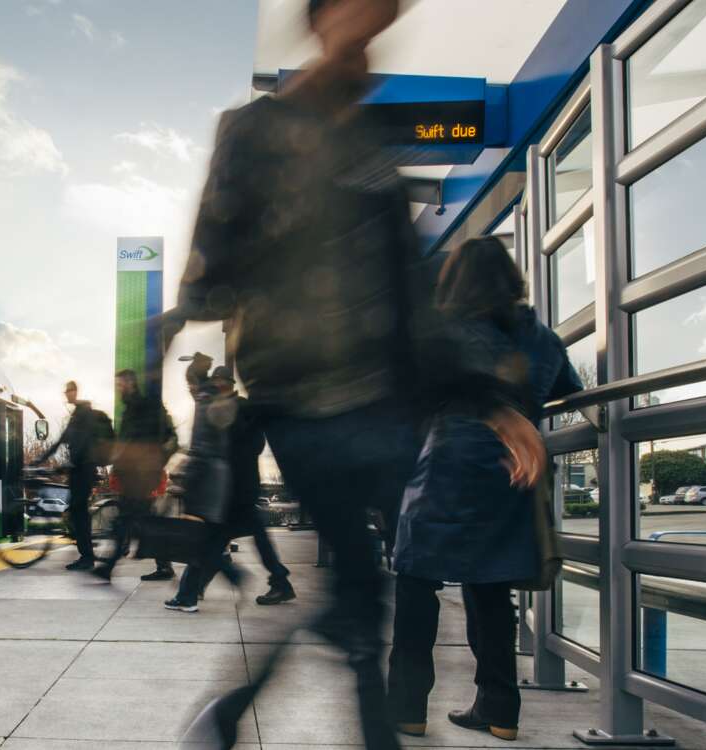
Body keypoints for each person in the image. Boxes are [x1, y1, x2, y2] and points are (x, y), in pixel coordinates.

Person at [164, 1, 546, 746]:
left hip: (385, 402)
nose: (373, 31)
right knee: (364, 599)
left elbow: (413, 302)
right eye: (361, 13)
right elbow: (208, 266)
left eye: (384, 19)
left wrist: (488, 400)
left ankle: (238, 710)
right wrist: (181, 343)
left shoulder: (372, 149)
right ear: (321, 18)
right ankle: (250, 710)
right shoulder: (255, 130)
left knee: (365, 596)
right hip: (295, 395)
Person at [389, 238, 581, 741]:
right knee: (492, 591)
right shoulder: (543, 339)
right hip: (512, 476)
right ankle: (500, 713)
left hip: (444, 468)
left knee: (415, 583)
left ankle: (407, 708)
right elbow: (567, 391)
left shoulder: (445, 332)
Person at [166, 366, 294, 612]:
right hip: (231, 485)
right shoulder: (222, 406)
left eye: (218, 382)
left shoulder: (240, 408)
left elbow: (252, 444)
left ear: (227, 383)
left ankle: (192, 591)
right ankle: (276, 580)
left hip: (236, 486)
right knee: (224, 538)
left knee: (211, 540)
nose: (215, 386)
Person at [92, 369, 177, 582]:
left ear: (130, 383)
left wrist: (154, 464)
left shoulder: (142, 407)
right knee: (138, 520)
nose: (119, 389)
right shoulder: (131, 408)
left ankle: (109, 566)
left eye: (120, 385)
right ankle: (162, 565)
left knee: (130, 519)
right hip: (134, 475)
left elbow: (149, 442)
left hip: (141, 476)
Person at [37, 381, 100, 570]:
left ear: (75, 392)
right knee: (77, 513)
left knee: (79, 513)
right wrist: (40, 459)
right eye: (66, 392)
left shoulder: (85, 415)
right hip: (77, 471)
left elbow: (83, 444)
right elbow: (60, 441)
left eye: (69, 392)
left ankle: (87, 557)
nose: (67, 395)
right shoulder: (75, 416)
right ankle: (86, 553)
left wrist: (70, 463)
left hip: (84, 470)